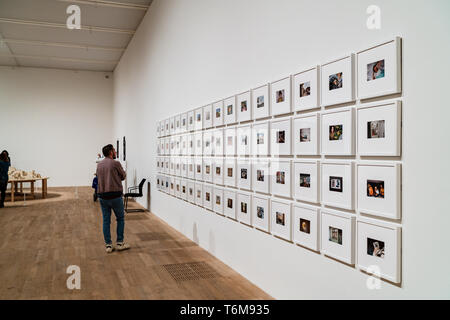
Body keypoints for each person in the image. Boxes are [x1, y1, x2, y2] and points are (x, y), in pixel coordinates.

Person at [96, 144, 130, 253]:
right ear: (111, 152)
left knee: (106, 221)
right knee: (120, 219)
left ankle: (108, 245)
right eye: (114, 150)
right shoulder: (116, 163)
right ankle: (120, 243)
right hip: (115, 196)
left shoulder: (99, 165)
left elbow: (98, 177)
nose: (115, 152)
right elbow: (123, 176)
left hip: (102, 197)